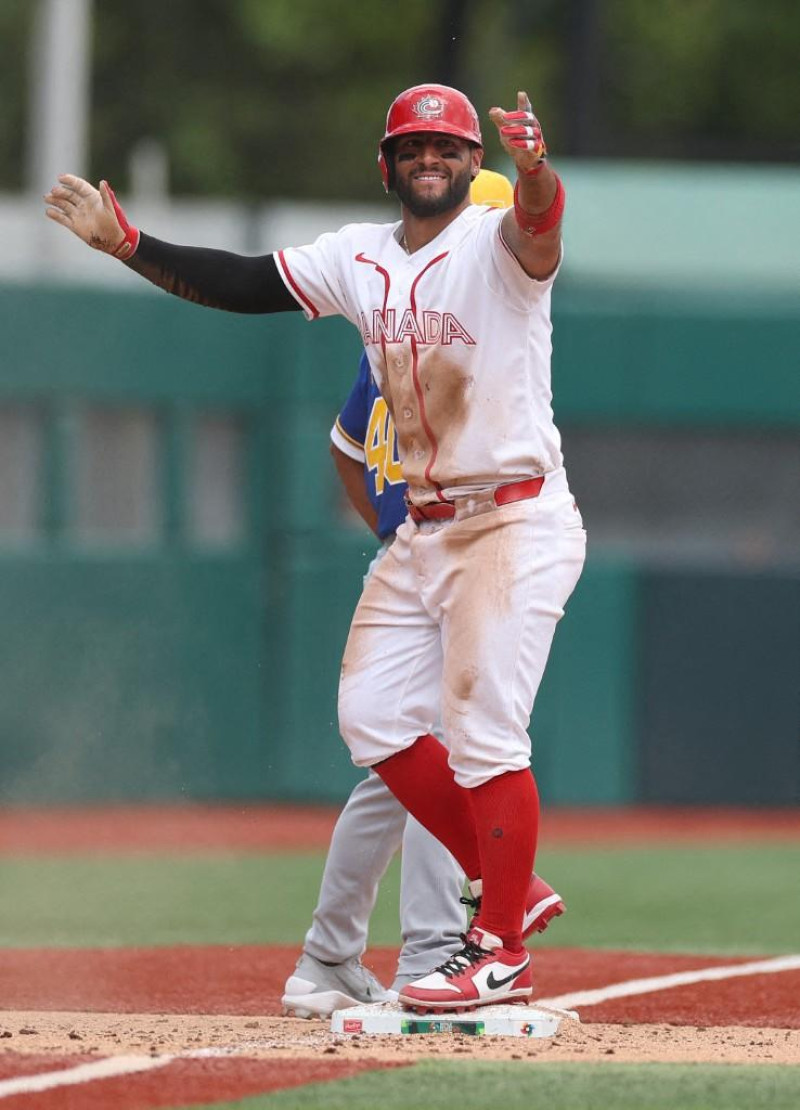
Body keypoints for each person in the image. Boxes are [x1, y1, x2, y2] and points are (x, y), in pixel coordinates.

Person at [44, 84, 586, 1014]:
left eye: (450, 147)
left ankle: (498, 947)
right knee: (372, 716)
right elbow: (249, 281)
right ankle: (513, 888)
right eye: (413, 145)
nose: (431, 158)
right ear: (386, 163)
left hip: (511, 519)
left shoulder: (496, 247)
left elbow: (539, 227)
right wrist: (129, 246)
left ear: (472, 164)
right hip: (422, 528)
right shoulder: (358, 257)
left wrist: (533, 171)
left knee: (486, 734)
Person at [282, 169, 565, 1018]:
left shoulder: (482, 307)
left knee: (404, 763)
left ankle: (335, 954)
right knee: (438, 748)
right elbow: (346, 442)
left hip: (467, 547)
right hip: (438, 551)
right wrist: (398, 542)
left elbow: (342, 446)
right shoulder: (415, 322)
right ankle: (437, 948)